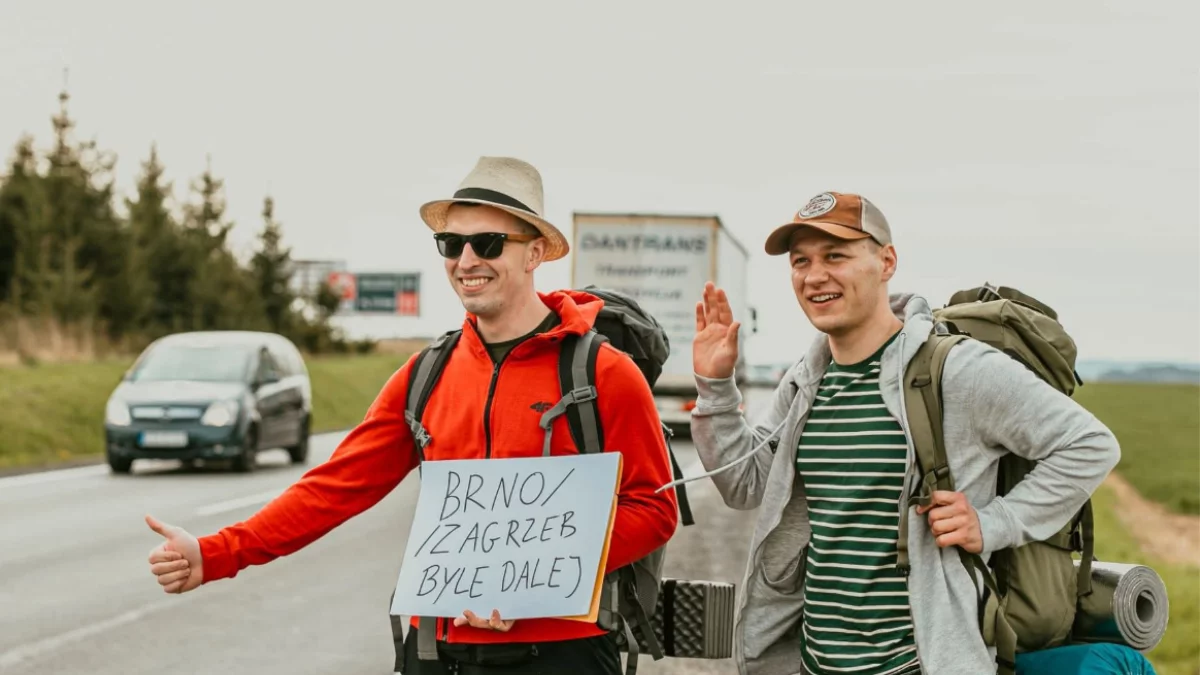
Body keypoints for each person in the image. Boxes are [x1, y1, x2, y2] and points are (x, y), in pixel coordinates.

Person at [144, 156, 679, 674]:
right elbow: (332, 489)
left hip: (564, 655)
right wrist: (216, 554)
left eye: (488, 243)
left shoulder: (604, 374)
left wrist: (525, 581)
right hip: (435, 652)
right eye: (451, 243)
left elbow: (655, 511)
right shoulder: (425, 374)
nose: (466, 260)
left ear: (534, 252)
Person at [688, 192, 1122, 674]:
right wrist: (716, 387)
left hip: (916, 664)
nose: (815, 276)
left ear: (886, 261)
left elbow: (1089, 444)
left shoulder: (956, 370)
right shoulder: (808, 381)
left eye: (836, 255)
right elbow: (746, 485)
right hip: (814, 662)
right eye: (801, 261)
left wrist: (994, 522)